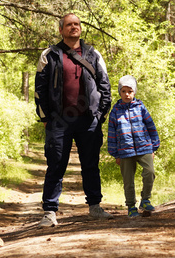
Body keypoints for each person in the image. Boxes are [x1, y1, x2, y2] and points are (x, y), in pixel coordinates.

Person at [35, 13, 113, 227]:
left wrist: (100, 114)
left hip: (88, 120)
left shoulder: (93, 54)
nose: (73, 28)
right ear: (61, 29)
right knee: (56, 165)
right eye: (69, 25)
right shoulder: (49, 55)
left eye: (77, 24)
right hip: (59, 121)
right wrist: (45, 117)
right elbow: (40, 89)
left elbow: (104, 85)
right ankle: (50, 212)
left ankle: (95, 207)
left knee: (91, 164)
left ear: (81, 28)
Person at [107, 75, 160, 217]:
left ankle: (145, 200)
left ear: (134, 92)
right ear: (120, 92)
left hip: (144, 147)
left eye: (129, 91)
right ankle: (131, 206)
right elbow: (111, 133)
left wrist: (154, 147)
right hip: (124, 151)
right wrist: (115, 153)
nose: (126, 94)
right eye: (123, 91)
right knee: (128, 181)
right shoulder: (115, 111)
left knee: (150, 172)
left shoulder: (140, 107)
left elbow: (151, 126)